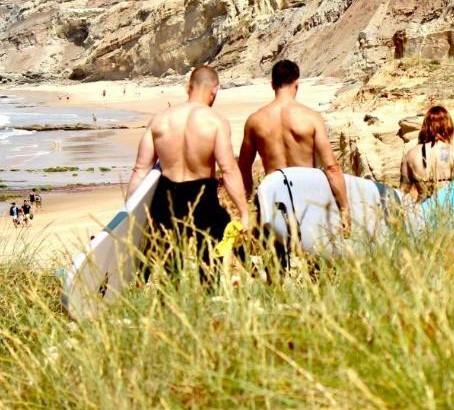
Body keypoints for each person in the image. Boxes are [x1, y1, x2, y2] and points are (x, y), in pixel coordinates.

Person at [127, 66, 250, 267]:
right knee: (209, 264)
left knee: (169, 266)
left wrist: (130, 214)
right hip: (202, 198)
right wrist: (244, 212)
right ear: (215, 90)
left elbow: (140, 171)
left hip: (165, 198)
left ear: (187, 88)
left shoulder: (160, 120)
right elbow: (228, 170)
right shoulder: (215, 122)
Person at [238, 59, 350, 233]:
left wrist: (249, 204)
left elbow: (244, 168)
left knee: (277, 255)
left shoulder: (255, 121)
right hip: (307, 196)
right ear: (297, 83)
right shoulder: (312, 118)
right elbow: (331, 167)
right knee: (312, 252)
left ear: (272, 84)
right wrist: (344, 208)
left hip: (273, 198)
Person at [401, 105, 454, 201]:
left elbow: (402, 193)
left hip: (422, 210)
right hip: (448, 208)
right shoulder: (451, 152)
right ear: (448, 127)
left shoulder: (411, 155)